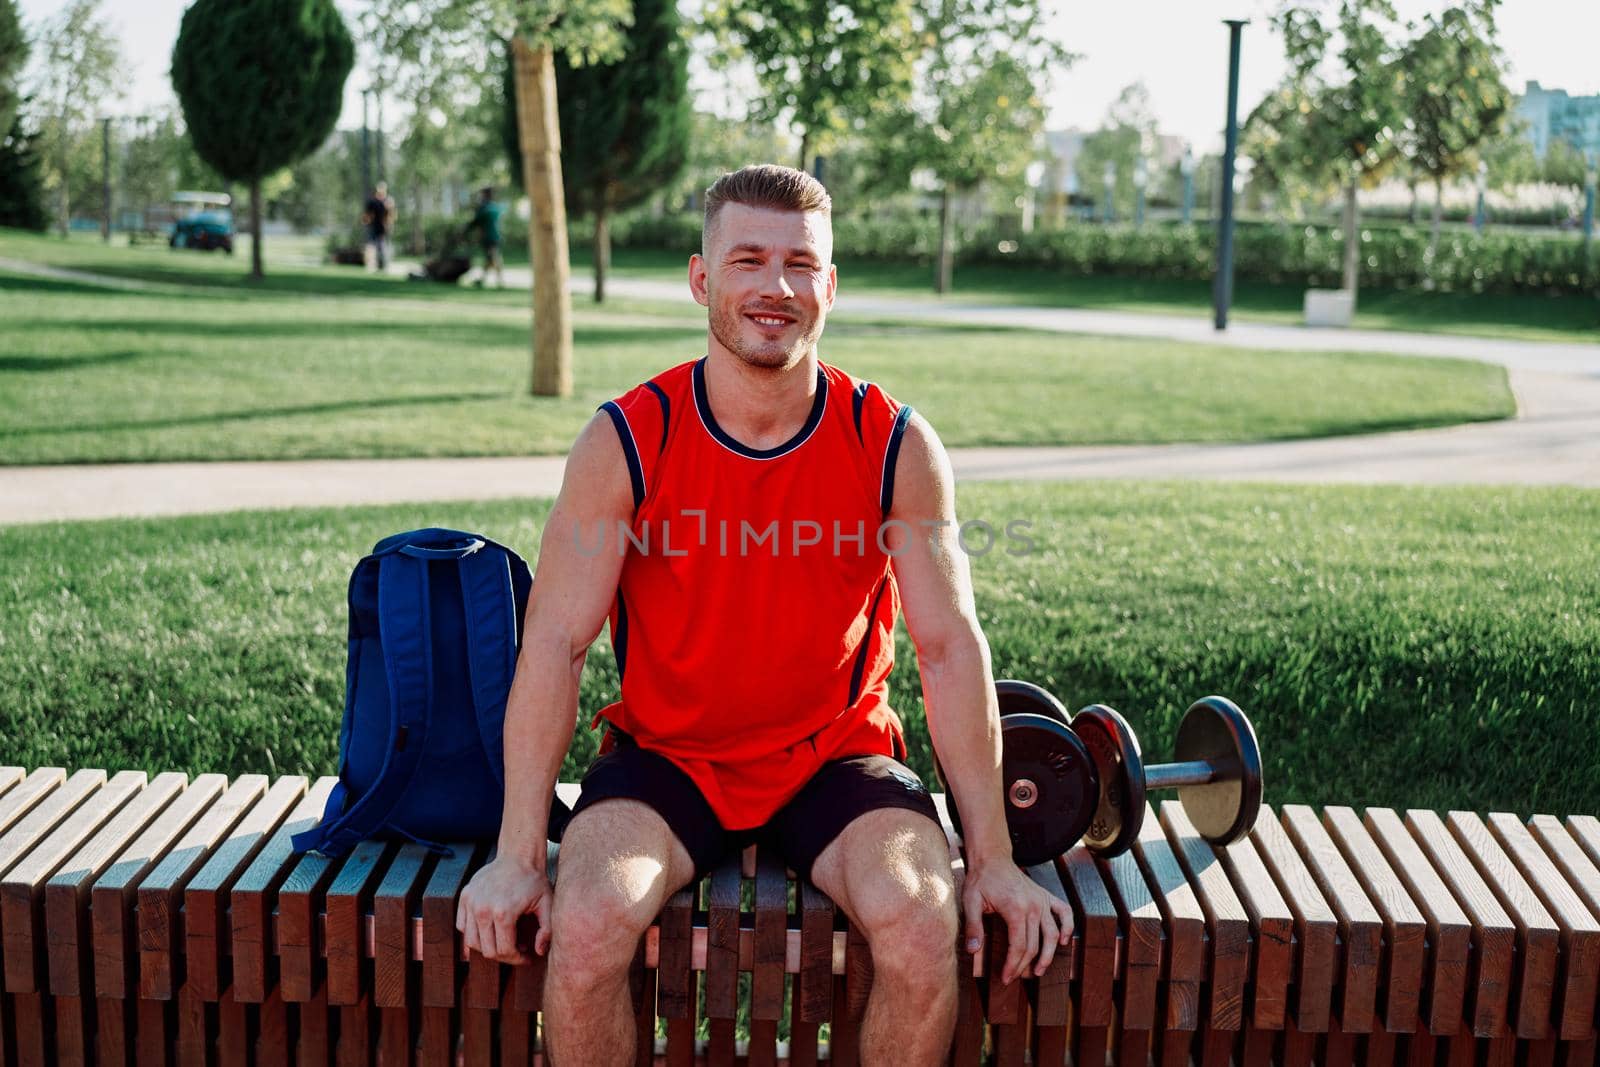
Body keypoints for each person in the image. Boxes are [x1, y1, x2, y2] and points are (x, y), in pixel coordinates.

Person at [456, 164, 1071, 1065]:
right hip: (668, 758)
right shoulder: (628, 438)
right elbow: (556, 641)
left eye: (798, 264)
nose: (774, 287)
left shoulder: (891, 441)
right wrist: (517, 853)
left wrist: (993, 859)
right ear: (704, 279)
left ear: (830, 284)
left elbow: (947, 646)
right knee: (586, 924)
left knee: (919, 923)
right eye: (747, 259)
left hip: (837, 757)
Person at [464, 185, 505, 289]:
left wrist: (464, 230)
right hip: (496, 236)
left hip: (489, 237)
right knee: (490, 258)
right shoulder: (495, 207)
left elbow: (474, 223)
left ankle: (499, 281)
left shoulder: (485, 208)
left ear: (485, 195)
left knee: (494, 257)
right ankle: (483, 279)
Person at [361, 182, 395, 271]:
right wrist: (365, 222)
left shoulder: (388, 201)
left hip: (383, 228)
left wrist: (389, 224)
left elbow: (391, 215)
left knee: (383, 247)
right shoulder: (372, 201)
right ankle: (371, 265)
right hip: (373, 227)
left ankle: (384, 265)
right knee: (371, 247)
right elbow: (367, 215)